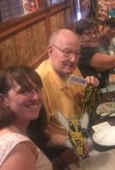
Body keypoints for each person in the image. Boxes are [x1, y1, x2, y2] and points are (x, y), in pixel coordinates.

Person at [36, 29, 99, 159]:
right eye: (67, 52)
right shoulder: (38, 84)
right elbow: (40, 136)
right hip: (60, 151)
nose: (73, 59)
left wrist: (91, 92)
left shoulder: (72, 69)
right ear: (50, 51)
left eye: (77, 54)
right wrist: (71, 142)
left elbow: (83, 103)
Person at [0, 66, 52, 170]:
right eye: (23, 91)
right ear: (4, 100)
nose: (36, 97)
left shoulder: (18, 131)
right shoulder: (17, 149)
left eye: (37, 89)